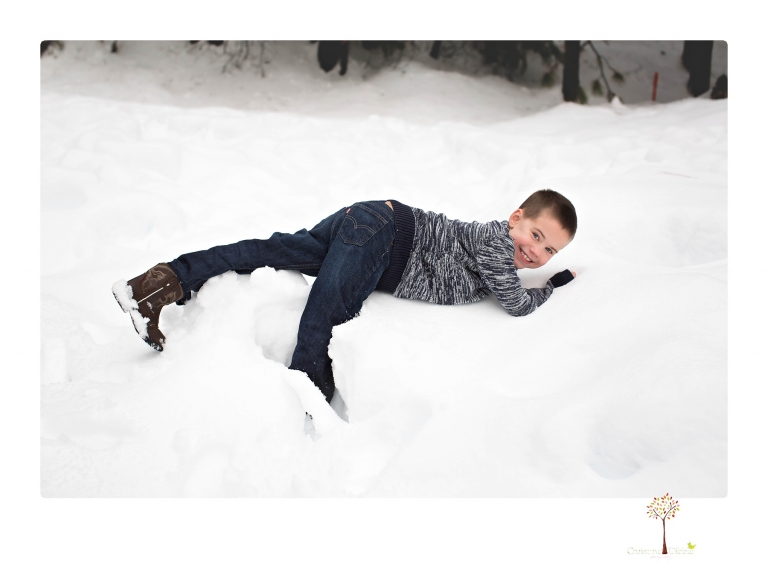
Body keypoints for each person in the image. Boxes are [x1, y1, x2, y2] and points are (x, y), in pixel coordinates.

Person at [112, 189, 577, 405]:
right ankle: (300, 415)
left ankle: (158, 284)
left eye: (549, 250)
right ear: (515, 217)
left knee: (273, 252)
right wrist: (550, 285)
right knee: (326, 316)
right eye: (535, 234)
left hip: (370, 221)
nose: (535, 252)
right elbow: (516, 304)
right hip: (383, 236)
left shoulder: (494, 251)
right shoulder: (497, 245)